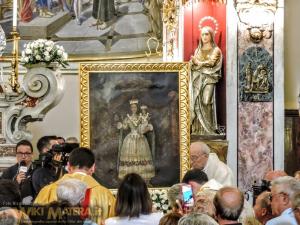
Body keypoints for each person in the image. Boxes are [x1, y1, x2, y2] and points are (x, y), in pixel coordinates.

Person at [34, 147, 116, 224]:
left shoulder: (48, 190)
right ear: (93, 168)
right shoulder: (106, 195)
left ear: (69, 166)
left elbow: (36, 218)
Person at [190, 26, 222, 135]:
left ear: (211, 35)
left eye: (206, 34)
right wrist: (192, 63)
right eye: (202, 34)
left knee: (206, 101)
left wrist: (198, 63)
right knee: (197, 102)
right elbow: (194, 65)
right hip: (198, 79)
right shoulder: (198, 50)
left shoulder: (216, 50)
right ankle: (198, 130)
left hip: (210, 78)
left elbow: (212, 63)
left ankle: (209, 129)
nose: (204, 36)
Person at [117, 99, 155, 181]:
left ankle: (142, 177)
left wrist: (147, 126)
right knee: (130, 157)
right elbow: (125, 127)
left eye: (135, 107)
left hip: (140, 139)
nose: (134, 109)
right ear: (130, 108)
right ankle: (130, 178)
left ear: (137, 108)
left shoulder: (140, 117)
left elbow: (143, 127)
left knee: (140, 157)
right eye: (132, 107)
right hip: (130, 139)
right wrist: (121, 126)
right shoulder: (127, 118)